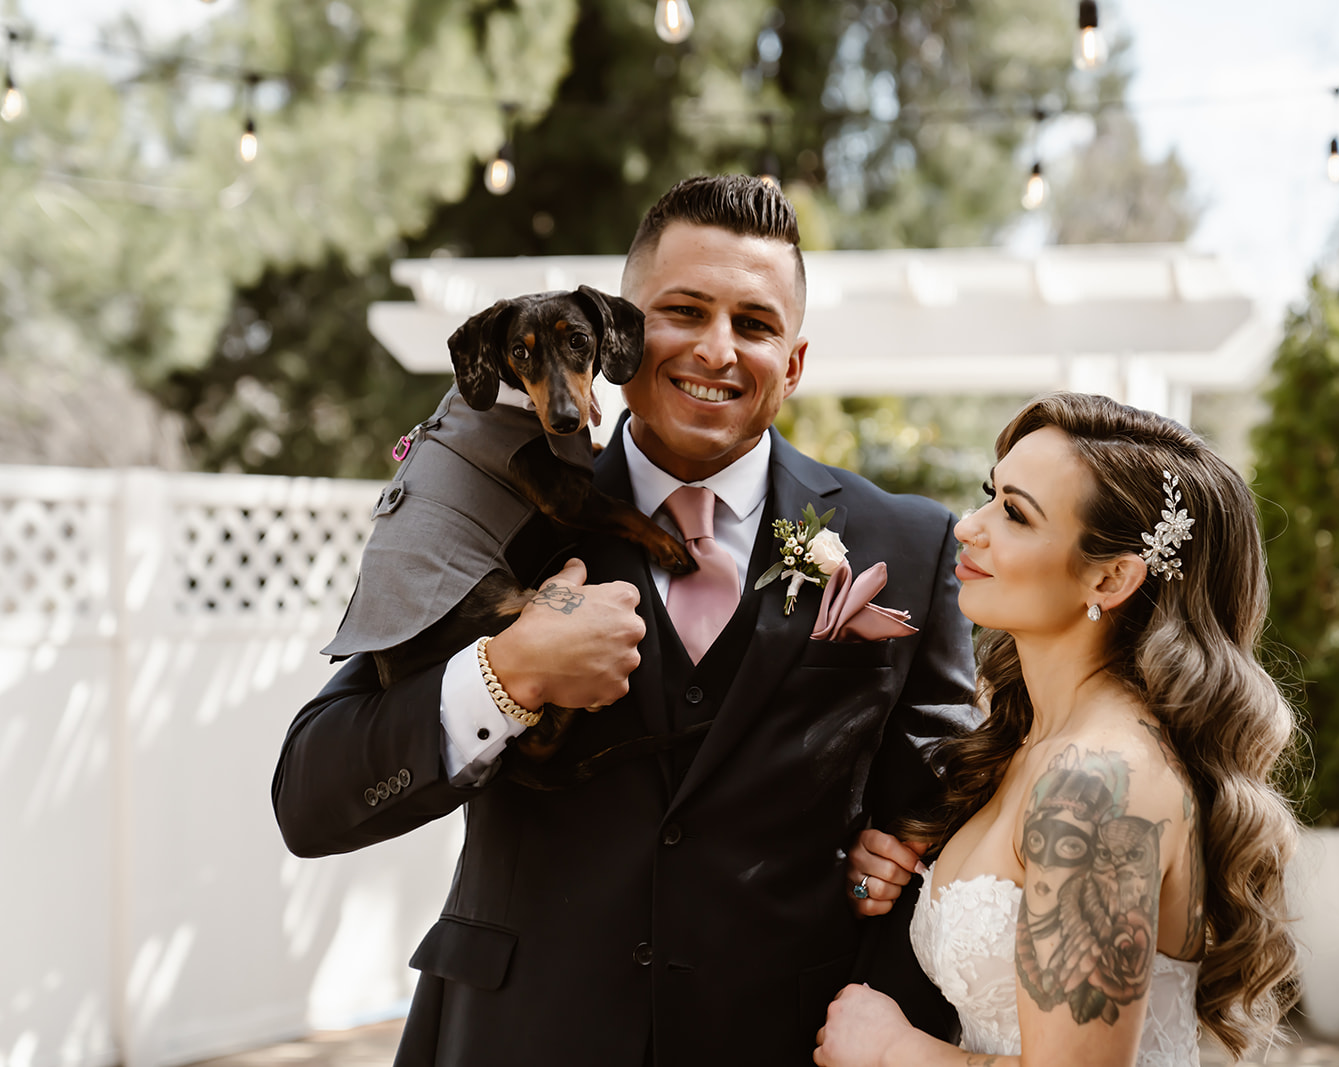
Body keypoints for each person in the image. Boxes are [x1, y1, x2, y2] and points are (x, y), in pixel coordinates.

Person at [271, 174, 976, 1067]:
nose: (718, 350)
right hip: (517, 1039)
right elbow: (311, 794)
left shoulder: (909, 542)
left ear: (793, 364)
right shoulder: (488, 517)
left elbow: (944, 804)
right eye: (682, 311)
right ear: (618, 338)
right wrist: (507, 675)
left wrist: (904, 880)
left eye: (755, 325)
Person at [819, 392, 1300, 1067]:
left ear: (1111, 577)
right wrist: (884, 873)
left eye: (1015, 513)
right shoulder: (1028, 744)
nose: (968, 526)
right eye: (991, 494)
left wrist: (893, 1051)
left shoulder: (1100, 781)